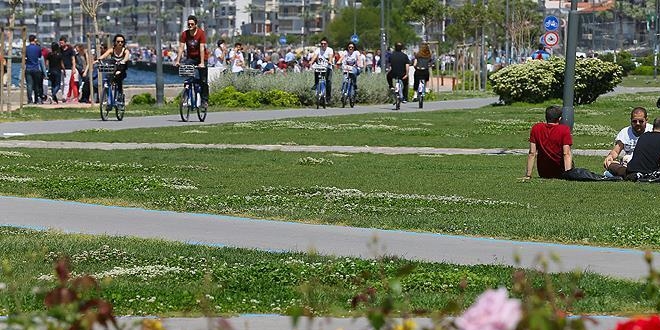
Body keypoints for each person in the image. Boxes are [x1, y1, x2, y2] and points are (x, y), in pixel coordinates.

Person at [523, 105, 573, 180]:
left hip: (543, 172)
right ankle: (568, 173)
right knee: (569, 153)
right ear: (559, 119)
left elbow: (532, 153)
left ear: (546, 117)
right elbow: (566, 153)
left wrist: (528, 175)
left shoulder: (536, 128)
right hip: (560, 172)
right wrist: (568, 175)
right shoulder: (564, 129)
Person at [603, 107, 653, 177]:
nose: (637, 123)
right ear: (630, 120)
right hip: (628, 163)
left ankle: (625, 174)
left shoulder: (652, 131)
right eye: (634, 121)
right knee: (611, 163)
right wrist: (610, 157)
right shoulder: (624, 132)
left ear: (646, 120)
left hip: (646, 163)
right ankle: (631, 174)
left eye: (641, 121)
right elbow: (616, 151)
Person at [175, 15, 208, 106]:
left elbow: (202, 48)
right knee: (187, 75)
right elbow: (181, 48)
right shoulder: (184, 34)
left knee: (203, 81)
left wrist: (201, 63)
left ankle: (204, 100)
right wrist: (178, 60)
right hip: (191, 58)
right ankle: (186, 95)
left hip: (202, 57)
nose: (190, 26)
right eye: (188, 24)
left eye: (192, 24)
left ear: (196, 24)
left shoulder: (201, 33)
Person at [96, 34, 130, 99]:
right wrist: (99, 60)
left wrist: (123, 61)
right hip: (113, 68)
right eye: (118, 41)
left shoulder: (125, 51)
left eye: (122, 42)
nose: (120, 43)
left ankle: (120, 94)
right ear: (115, 42)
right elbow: (104, 55)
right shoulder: (112, 50)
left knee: (119, 78)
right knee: (108, 75)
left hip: (121, 69)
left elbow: (126, 58)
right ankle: (107, 96)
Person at [310, 37, 334, 103]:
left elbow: (330, 56)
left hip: (327, 67)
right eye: (322, 43)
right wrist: (311, 61)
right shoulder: (318, 50)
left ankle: (328, 98)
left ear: (327, 44)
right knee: (316, 72)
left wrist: (330, 61)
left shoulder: (330, 50)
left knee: (328, 82)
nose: (323, 45)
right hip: (320, 66)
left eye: (324, 44)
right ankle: (316, 84)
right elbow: (315, 56)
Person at [25, 34, 43, 104]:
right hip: (36, 68)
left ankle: (29, 100)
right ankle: (36, 99)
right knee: (36, 85)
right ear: (34, 39)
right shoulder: (38, 48)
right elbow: (39, 56)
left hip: (28, 68)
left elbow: (25, 56)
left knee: (29, 85)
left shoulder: (26, 48)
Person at [59, 36, 75, 102]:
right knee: (62, 83)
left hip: (68, 68)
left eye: (62, 43)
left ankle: (64, 96)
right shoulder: (59, 49)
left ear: (65, 43)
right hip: (60, 68)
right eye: (60, 43)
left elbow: (73, 59)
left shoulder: (70, 50)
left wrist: (73, 67)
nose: (61, 44)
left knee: (66, 82)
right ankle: (63, 94)